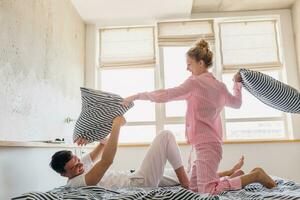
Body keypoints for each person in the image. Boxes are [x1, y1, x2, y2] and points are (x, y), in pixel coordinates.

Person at [122, 39, 276, 194]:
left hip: (207, 145)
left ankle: (255, 176)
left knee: (208, 191)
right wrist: (237, 85)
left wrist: (137, 96)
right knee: (193, 190)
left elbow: (167, 94)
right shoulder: (220, 87)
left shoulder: (194, 83)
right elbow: (237, 104)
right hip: (207, 145)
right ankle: (238, 177)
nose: (187, 68)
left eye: (189, 64)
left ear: (200, 63)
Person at [50, 116, 246, 189]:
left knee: (186, 171)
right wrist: (117, 125)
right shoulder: (76, 182)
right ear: (63, 174)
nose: (79, 165)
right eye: (74, 167)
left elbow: (104, 145)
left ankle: (228, 174)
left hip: (138, 176)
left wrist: (91, 133)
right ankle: (188, 186)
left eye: (77, 160)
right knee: (166, 136)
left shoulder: (79, 164)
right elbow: (107, 160)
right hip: (139, 182)